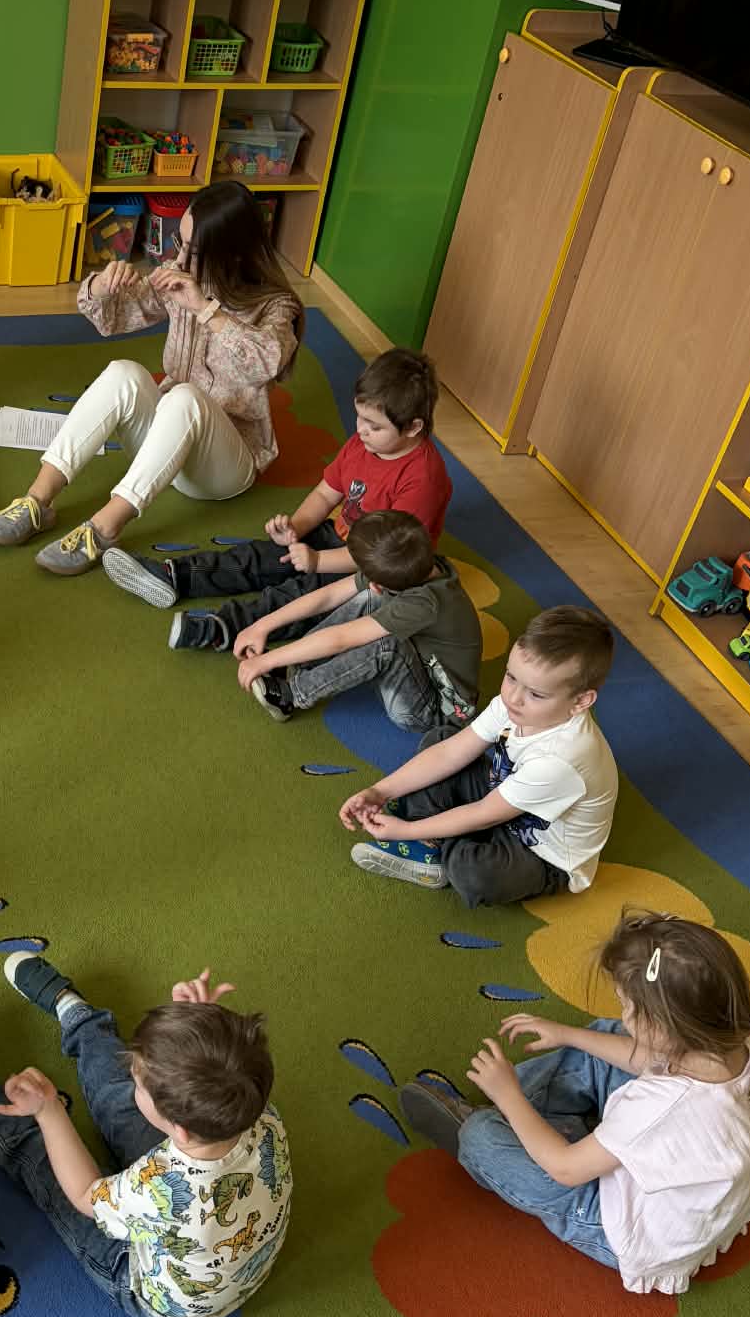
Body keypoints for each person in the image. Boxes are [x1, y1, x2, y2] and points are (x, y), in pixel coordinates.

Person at [399, 910, 750, 1296]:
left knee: (481, 1138)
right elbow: (650, 1059)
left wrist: (509, 1096)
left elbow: (566, 1169)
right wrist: (567, 1034)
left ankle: (496, 1122)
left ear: (666, 1026)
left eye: (627, 1005)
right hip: (700, 1179)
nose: (623, 1013)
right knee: (604, 1036)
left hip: (624, 1231)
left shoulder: (662, 1107)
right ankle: (524, 1117)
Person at [0, 953, 291, 1317]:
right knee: (128, 1091)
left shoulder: (159, 1184)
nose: (135, 1080)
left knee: (45, 1161)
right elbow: (213, 1074)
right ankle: (79, 1017)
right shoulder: (258, 1111)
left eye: (140, 1085)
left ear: (178, 1131)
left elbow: (85, 1195)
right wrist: (196, 1028)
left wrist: (49, 1111)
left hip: (149, 1289)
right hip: (234, 1260)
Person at [0, 180, 303, 576]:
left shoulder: (275, 306)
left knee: (184, 396)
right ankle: (38, 500)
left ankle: (104, 528)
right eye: (180, 243)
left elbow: (265, 363)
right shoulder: (180, 274)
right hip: (165, 450)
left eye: (193, 251)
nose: (179, 259)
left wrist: (205, 309)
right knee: (124, 372)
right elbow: (114, 319)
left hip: (224, 470)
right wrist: (104, 286)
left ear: (232, 253)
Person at [101, 346, 448, 617]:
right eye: (359, 418)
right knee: (261, 556)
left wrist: (318, 562)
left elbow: (383, 558)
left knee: (297, 598)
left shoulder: (423, 479)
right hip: (341, 537)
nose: (361, 431)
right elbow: (326, 493)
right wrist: (295, 529)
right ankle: (175, 575)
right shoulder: (363, 444)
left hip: (376, 571)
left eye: (374, 426)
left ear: (413, 427)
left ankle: (221, 626)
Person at [337, 604, 618, 905]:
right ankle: (433, 841)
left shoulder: (560, 759)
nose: (513, 697)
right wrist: (380, 791)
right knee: (442, 739)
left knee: (476, 876)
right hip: (502, 794)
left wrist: (406, 830)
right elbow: (449, 753)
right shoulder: (515, 706)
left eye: (536, 694)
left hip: (541, 852)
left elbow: (484, 814)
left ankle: (431, 843)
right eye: (511, 677)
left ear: (580, 702)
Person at [220, 511, 482, 730]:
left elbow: (340, 639)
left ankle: (293, 694)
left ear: (379, 582)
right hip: (419, 663)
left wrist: (266, 661)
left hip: (434, 710)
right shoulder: (414, 563)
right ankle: (297, 666)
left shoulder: (423, 602)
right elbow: (328, 596)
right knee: (369, 599)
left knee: (388, 646)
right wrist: (262, 625)